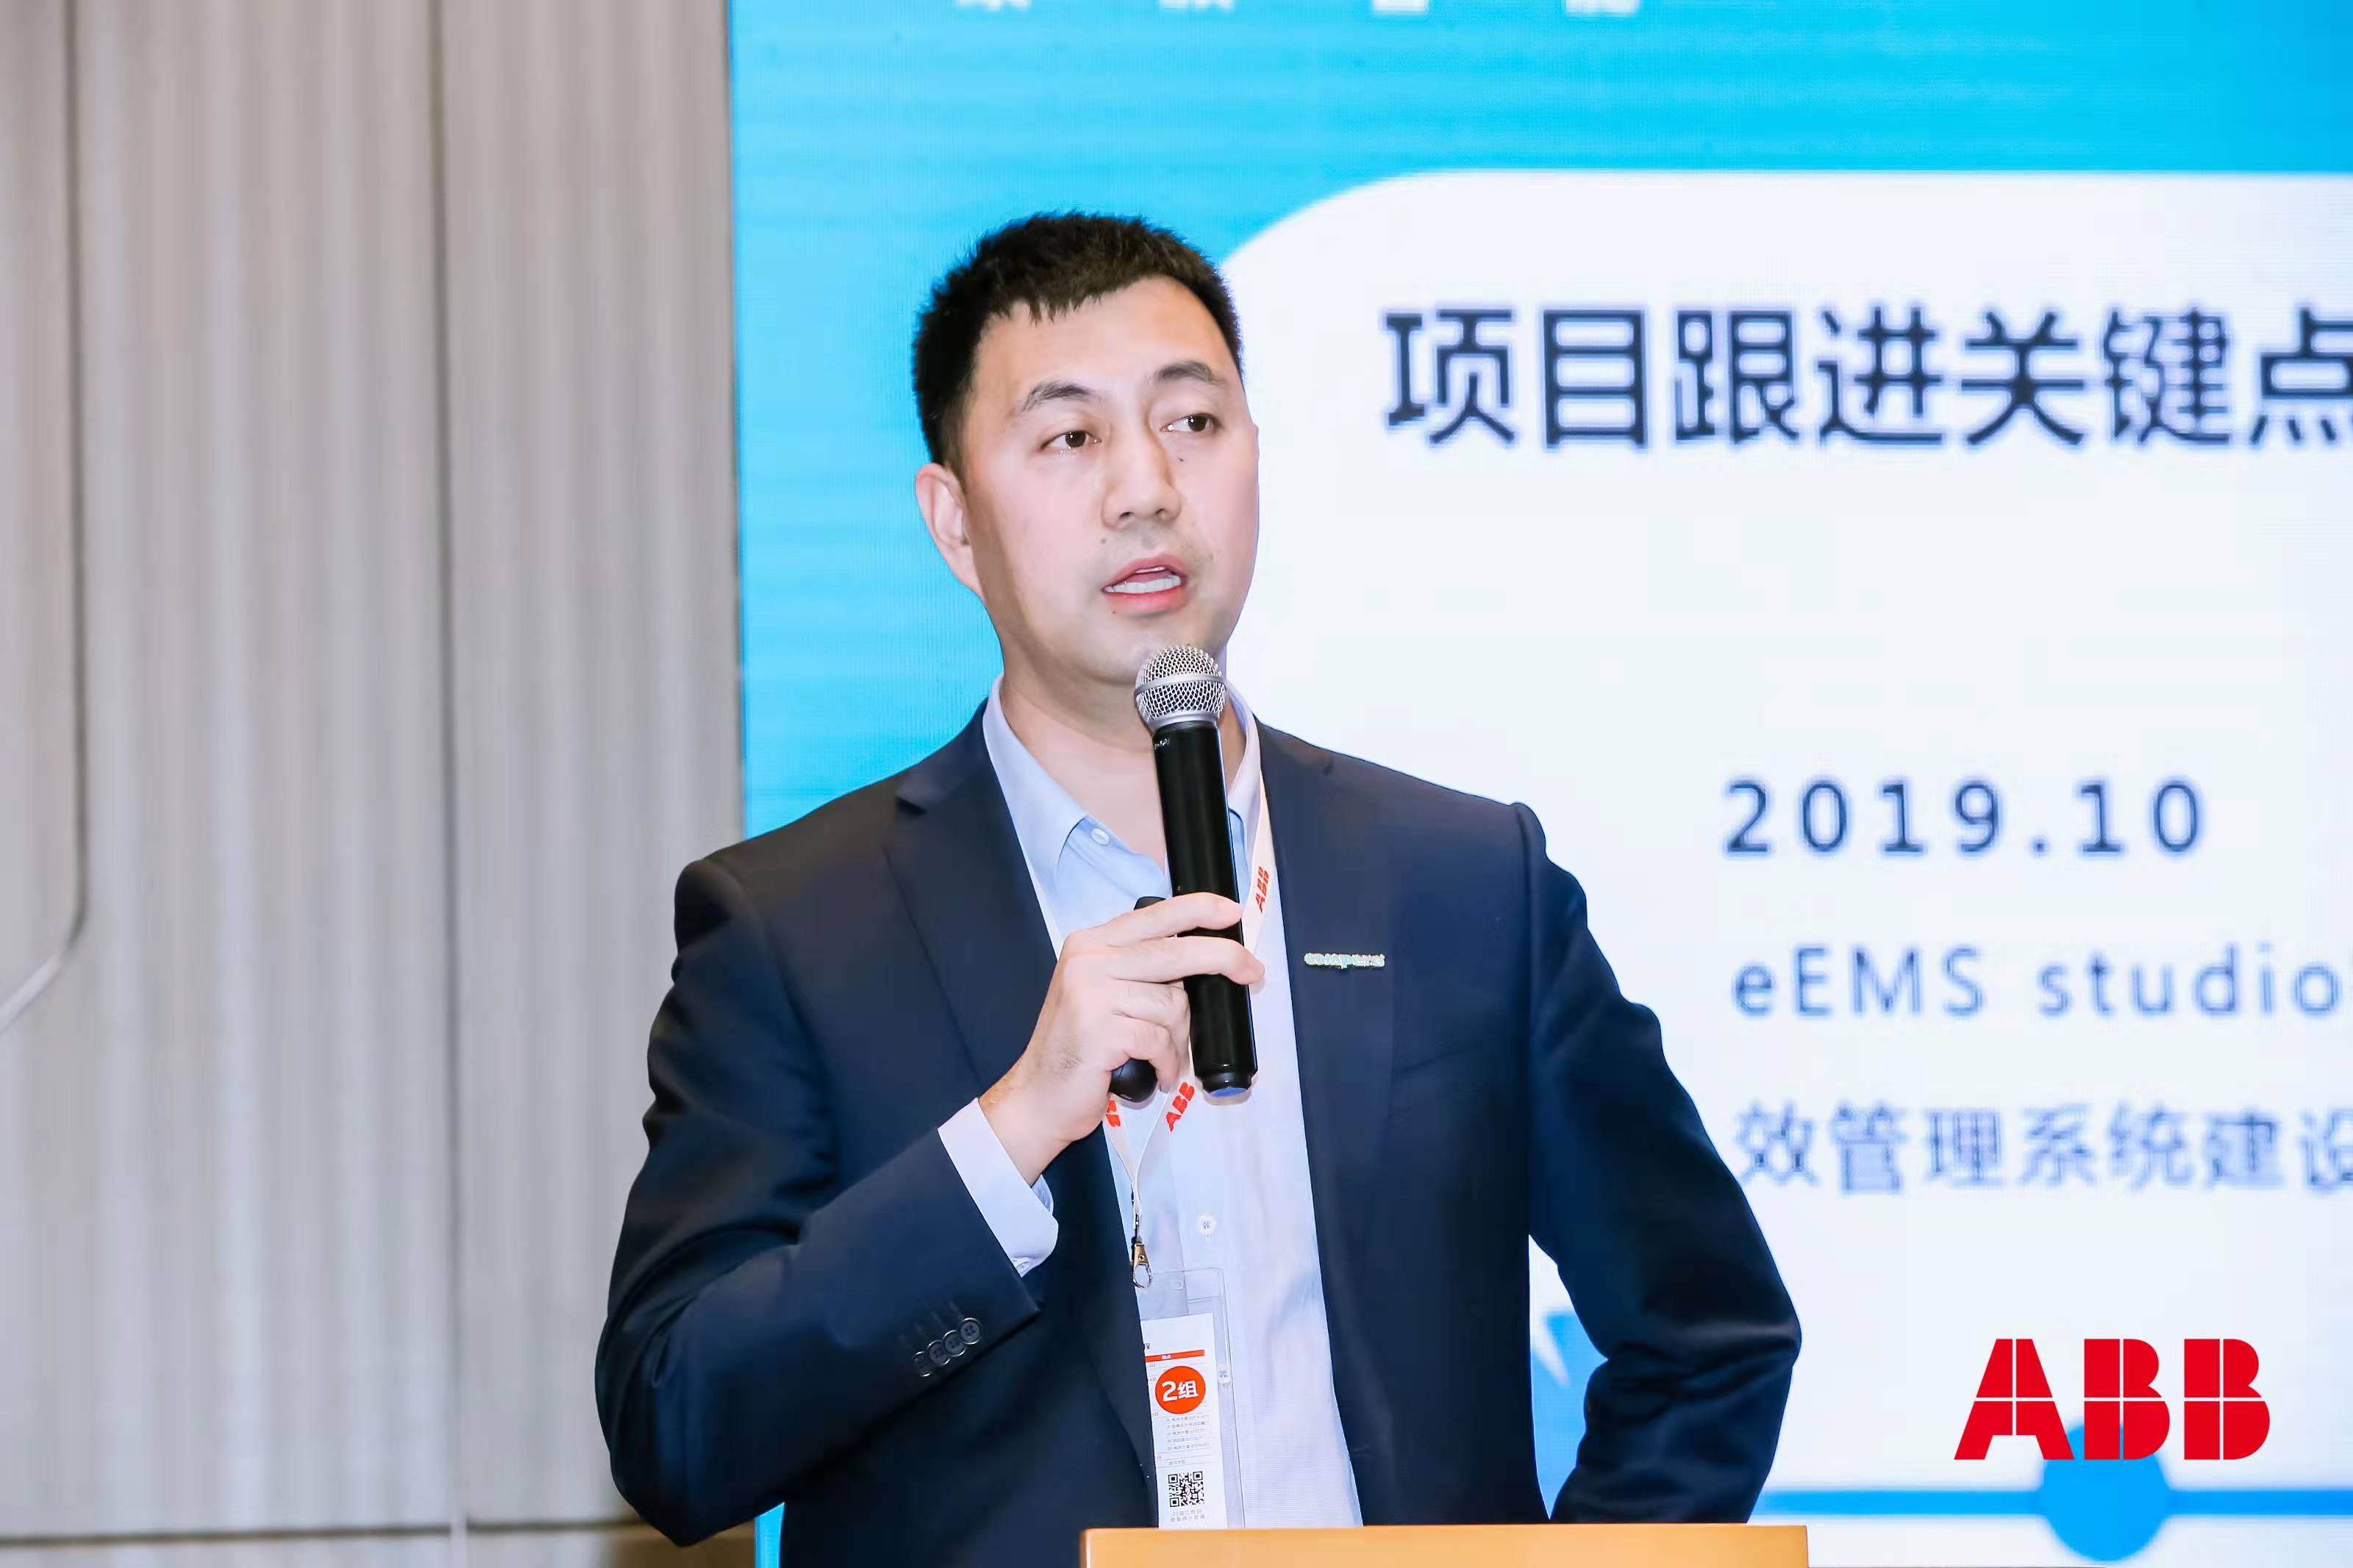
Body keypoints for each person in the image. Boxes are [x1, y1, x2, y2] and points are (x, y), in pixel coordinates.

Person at [596, 212, 1799, 1564]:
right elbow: (676, 1425)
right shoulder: (801, 927)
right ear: (955, 521)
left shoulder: (1466, 885)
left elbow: (1710, 1329)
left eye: (1193, 423)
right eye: (1070, 437)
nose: (1146, 488)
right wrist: (1008, 1132)